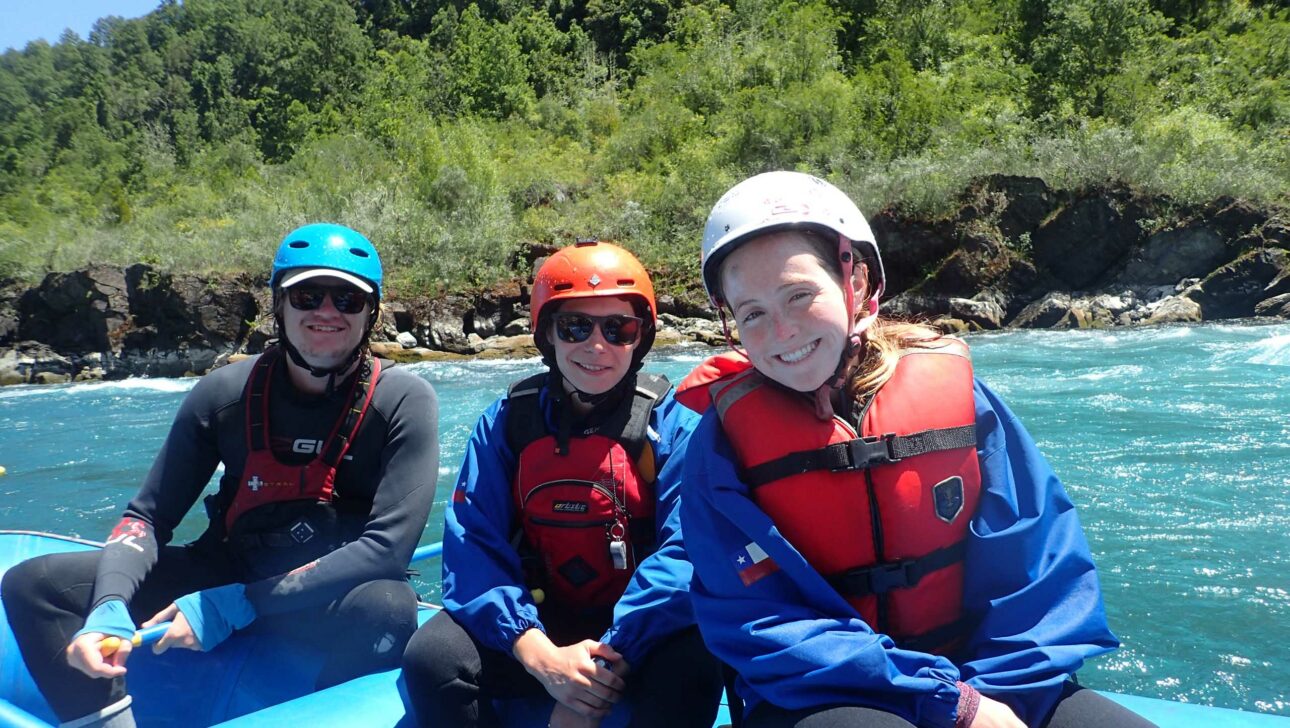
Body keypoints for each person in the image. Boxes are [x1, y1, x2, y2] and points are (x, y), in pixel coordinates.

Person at [674, 172, 1153, 728]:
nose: (781, 331)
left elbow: (1038, 565)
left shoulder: (962, 398)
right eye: (752, 313)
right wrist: (949, 703)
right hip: (824, 691)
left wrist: (987, 695)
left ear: (854, 284)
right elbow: (756, 619)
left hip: (989, 673)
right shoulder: (724, 445)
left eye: (799, 295)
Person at [2, 223, 440, 728]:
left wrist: (239, 604)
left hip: (322, 595)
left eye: (348, 299)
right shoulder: (223, 393)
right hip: (226, 566)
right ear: (279, 305)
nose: (326, 311)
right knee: (34, 584)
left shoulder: (403, 401)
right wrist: (109, 602)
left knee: (388, 606)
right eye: (307, 295)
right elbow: (146, 517)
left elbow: (387, 548)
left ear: (370, 313)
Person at [401, 240, 722, 728]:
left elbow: (686, 553)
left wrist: (595, 674)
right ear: (547, 334)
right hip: (536, 625)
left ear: (642, 337)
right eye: (575, 326)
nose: (596, 345)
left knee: (695, 661)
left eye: (619, 328)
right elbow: (472, 546)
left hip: (635, 635)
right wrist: (540, 657)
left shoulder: (676, 426)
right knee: (433, 659)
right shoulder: (506, 423)